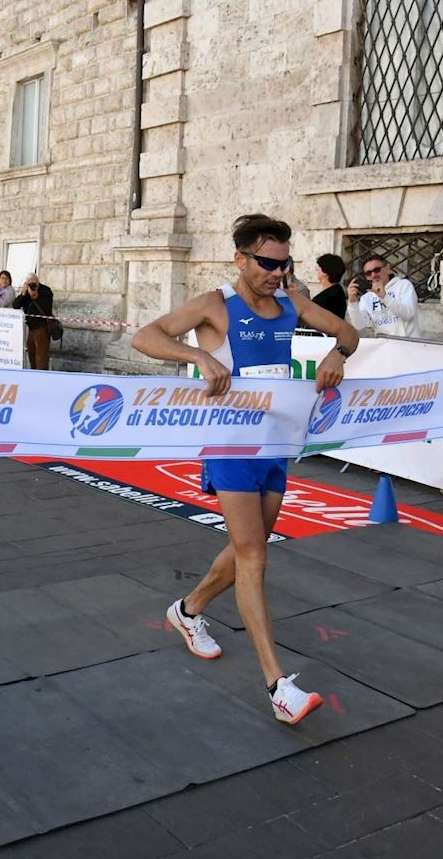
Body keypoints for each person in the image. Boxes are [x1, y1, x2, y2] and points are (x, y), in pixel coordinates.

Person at [132, 214, 361, 725]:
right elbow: (145, 336)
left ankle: (187, 611)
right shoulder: (216, 304)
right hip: (230, 445)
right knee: (255, 556)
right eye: (267, 264)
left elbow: (347, 330)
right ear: (240, 259)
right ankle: (278, 685)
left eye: (284, 264)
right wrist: (197, 355)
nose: (277, 273)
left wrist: (336, 353)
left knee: (244, 551)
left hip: (275, 444)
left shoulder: (291, 302)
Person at [345, 254, 420, 338]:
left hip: (408, 344)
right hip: (383, 345)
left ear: (387, 268)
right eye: (368, 273)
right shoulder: (366, 298)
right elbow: (359, 325)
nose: (373, 275)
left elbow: (408, 314)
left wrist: (385, 297)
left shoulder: (404, 285)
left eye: (377, 270)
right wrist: (352, 302)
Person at [14, 273, 54, 370]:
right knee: (31, 353)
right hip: (31, 328)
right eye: (29, 284)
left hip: (42, 327)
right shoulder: (26, 292)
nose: (32, 286)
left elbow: (47, 307)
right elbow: (15, 306)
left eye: (34, 283)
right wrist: (23, 294)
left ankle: (42, 376)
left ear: (38, 282)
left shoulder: (45, 291)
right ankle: (34, 374)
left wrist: (36, 296)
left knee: (41, 356)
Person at [310, 254, 350, 319]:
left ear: (325, 272)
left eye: (319, 267)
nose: (317, 270)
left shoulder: (325, 298)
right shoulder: (337, 290)